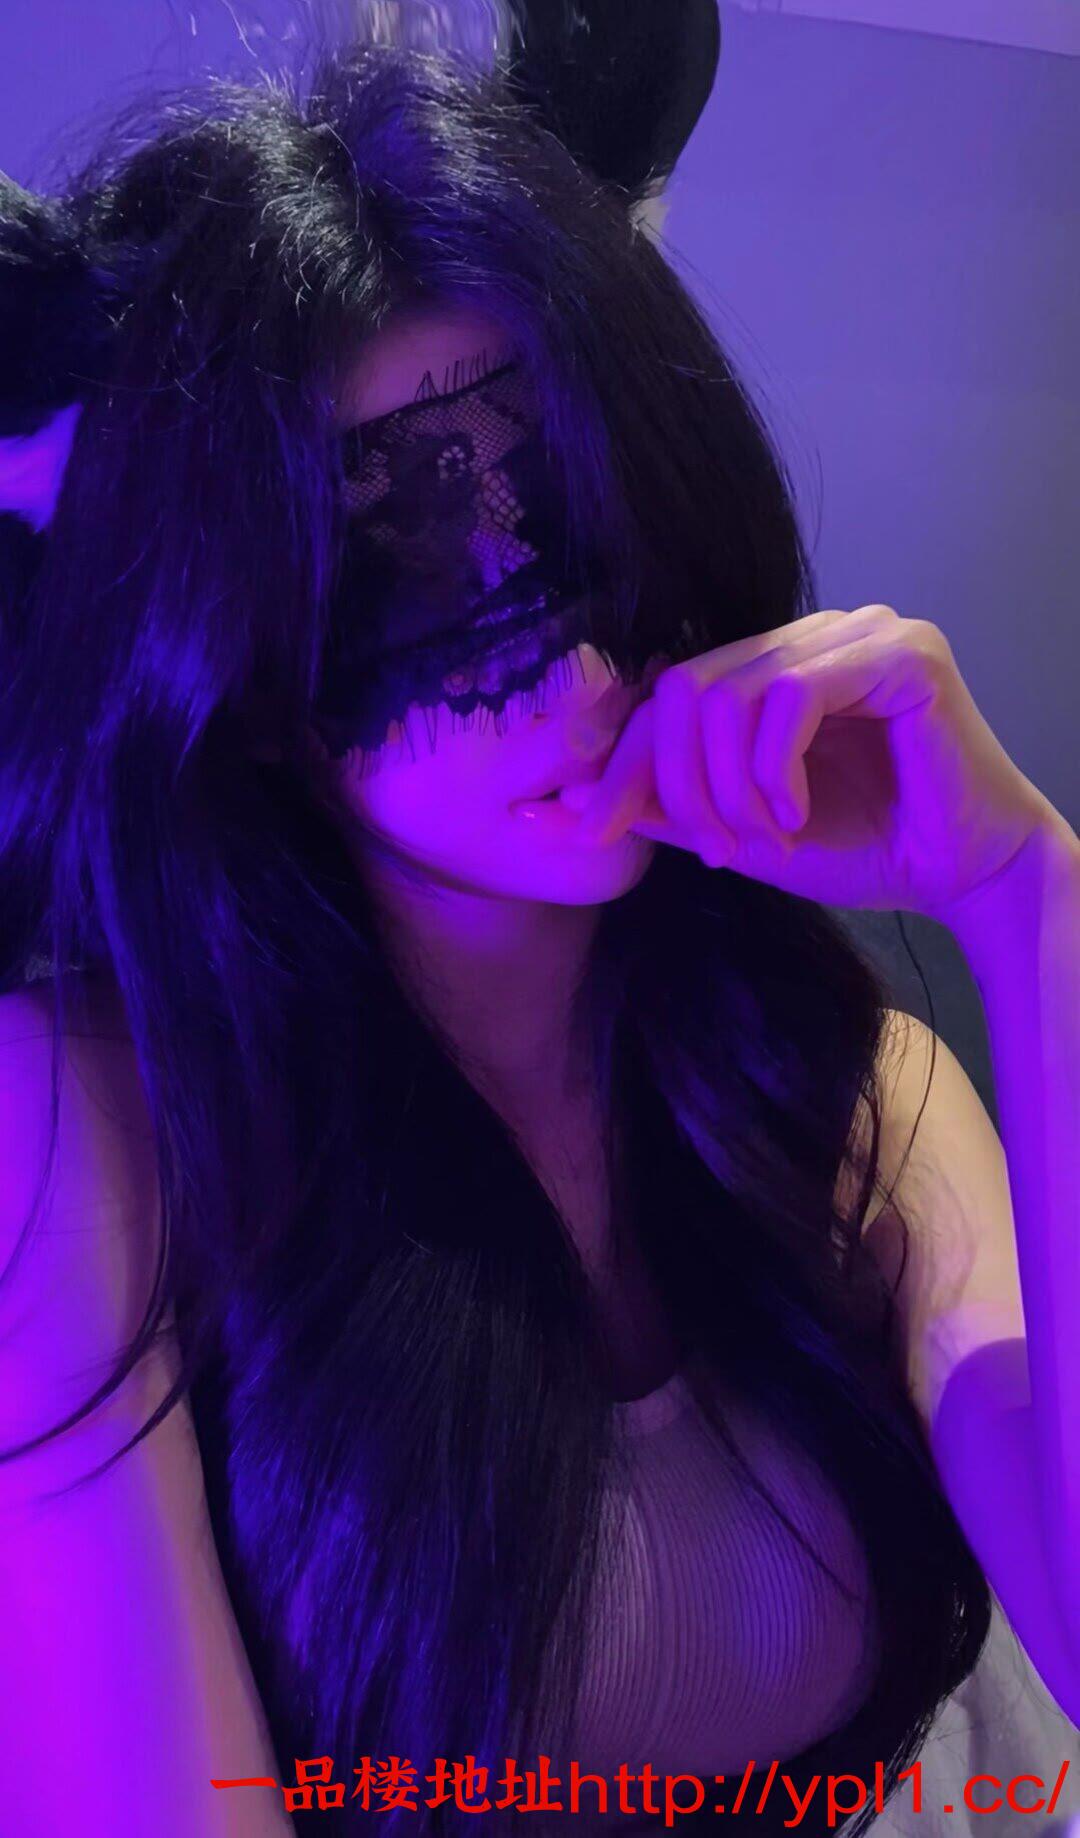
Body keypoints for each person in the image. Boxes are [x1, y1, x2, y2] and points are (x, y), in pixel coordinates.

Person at [0, 14, 1077, 1838]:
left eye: (577, 496)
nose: (562, 658)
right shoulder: (90, 1132)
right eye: (401, 550)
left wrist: (1027, 896)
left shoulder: (851, 1095)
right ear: (243, 661)